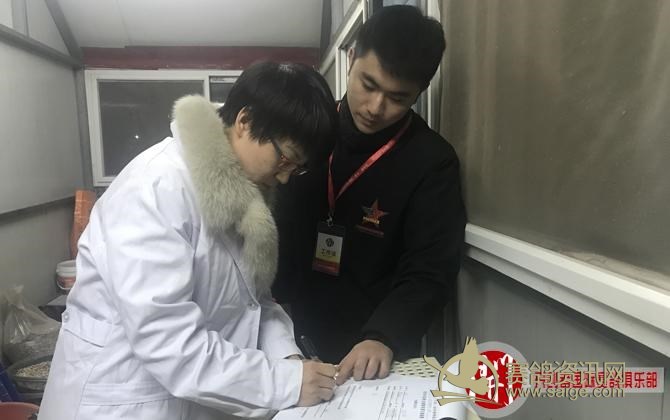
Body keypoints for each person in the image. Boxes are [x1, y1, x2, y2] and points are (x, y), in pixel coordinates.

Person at [38, 62, 340, 420]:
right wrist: (284, 383)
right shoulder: (156, 188)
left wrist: (287, 358)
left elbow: (255, 302)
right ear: (245, 121)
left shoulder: (243, 191)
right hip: (119, 403)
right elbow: (167, 341)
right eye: (285, 159)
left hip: (191, 400)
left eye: (297, 168)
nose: (286, 178)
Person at [273, 6, 466, 385]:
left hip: (371, 346)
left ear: (420, 92)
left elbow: (429, 269)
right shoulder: (309, 131)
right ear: (351, 58)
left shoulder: (431, 161)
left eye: (398, 97)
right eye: (369, 84)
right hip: (284, 329)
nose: (376, 108)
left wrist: (383, 336)